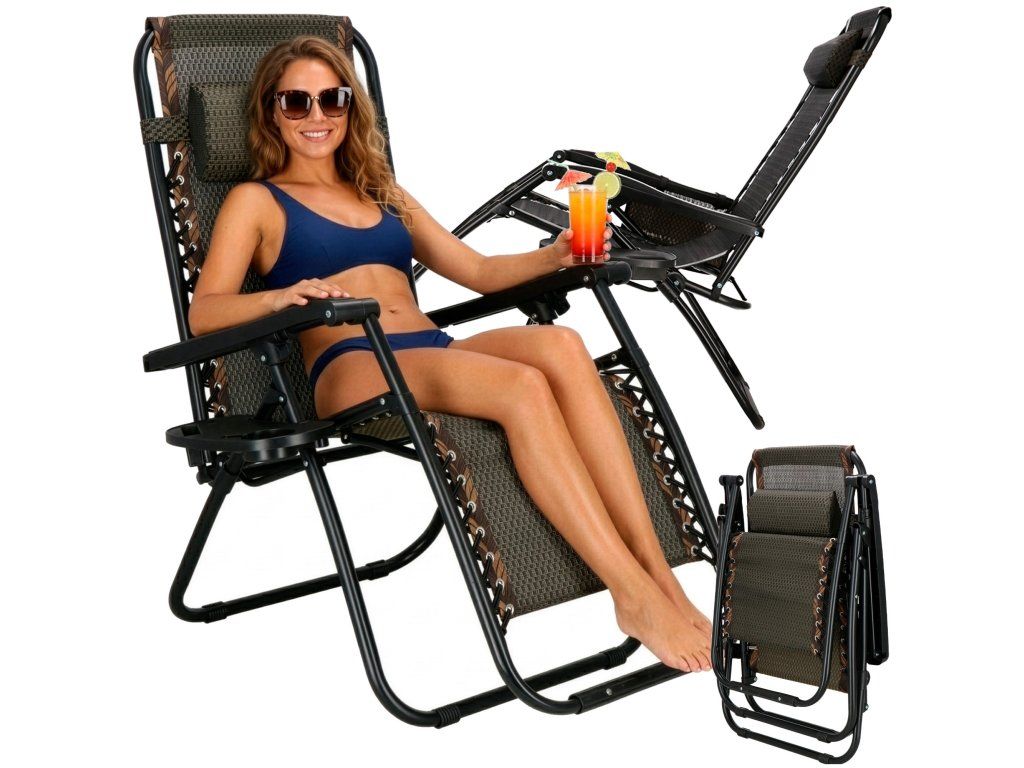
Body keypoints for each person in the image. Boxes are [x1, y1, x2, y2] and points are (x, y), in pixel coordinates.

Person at [188, 35, 712, 673]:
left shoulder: (382, 190)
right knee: (522, 387)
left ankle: (660, 575)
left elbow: (479, 271)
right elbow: (204, 312)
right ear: (272, 112)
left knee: (563, 345)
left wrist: (556, 255)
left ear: (352, 108)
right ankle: (630, 594)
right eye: (296, 102)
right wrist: (282, 297)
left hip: (428, 347)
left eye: (333, 99)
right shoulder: (256, 201)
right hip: (352, 363)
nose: (316, 115)